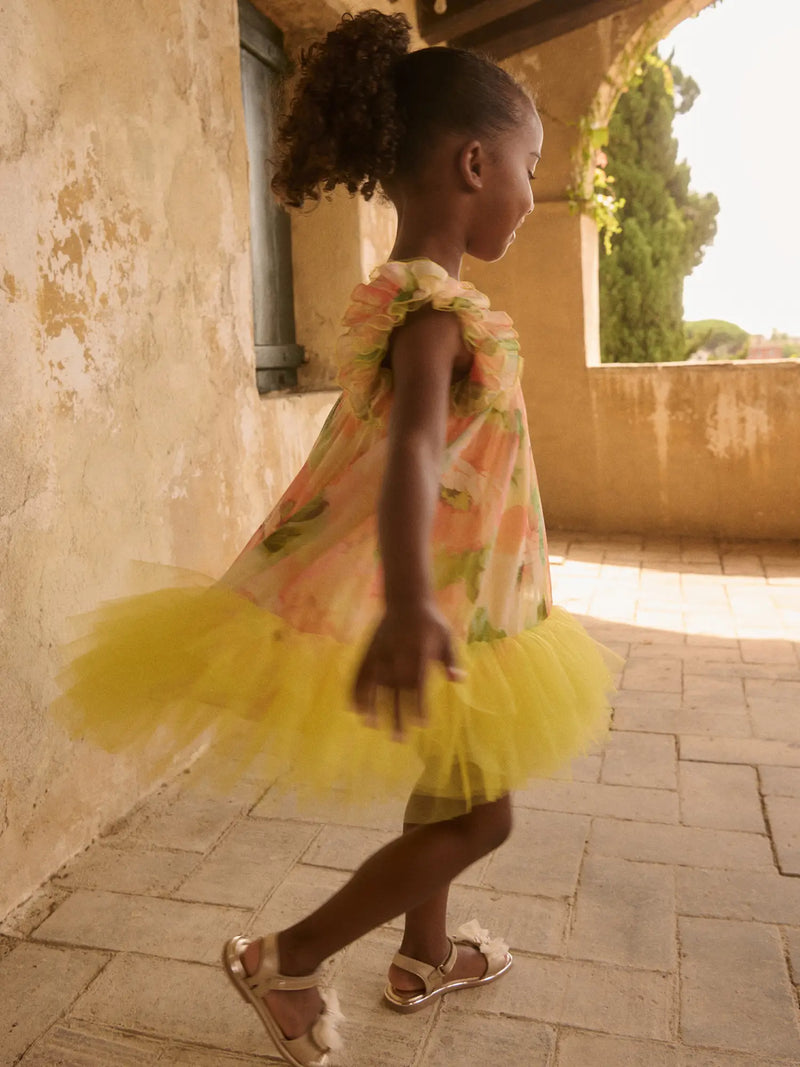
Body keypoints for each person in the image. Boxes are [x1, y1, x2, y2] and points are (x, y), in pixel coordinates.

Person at [57, 10, 620, 1067]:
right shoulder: (432, 316)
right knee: (483, 816)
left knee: (452, 780)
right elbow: (410, 452)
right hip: (446, 604)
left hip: (475, 606)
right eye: (527, 165)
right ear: (471, 161)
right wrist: (407, 604)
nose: (531, 189)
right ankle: (288, 955)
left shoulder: (413, 300)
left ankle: (423, 953)